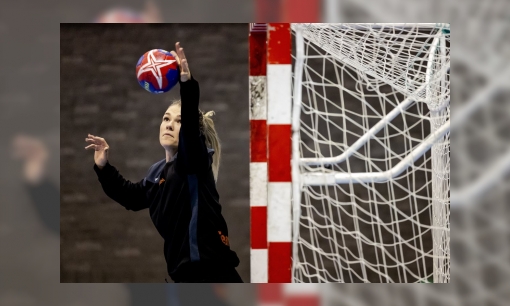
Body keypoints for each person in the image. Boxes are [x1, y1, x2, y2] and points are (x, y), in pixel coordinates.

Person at [85, 42, 242, 283]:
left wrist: (186, 83)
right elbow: (130, 197)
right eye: (166, 118)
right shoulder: (156, 172)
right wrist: (104, 167)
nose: (168, 124)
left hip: (212, 273)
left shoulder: (194, 162)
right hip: (182, 277)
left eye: (178, 121)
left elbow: (191, 131)